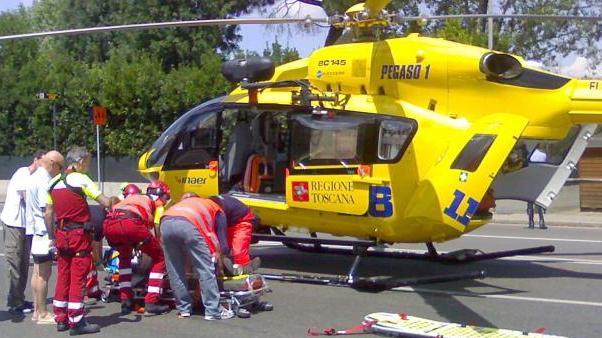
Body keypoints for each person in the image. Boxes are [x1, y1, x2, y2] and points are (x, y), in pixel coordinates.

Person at [46, 146, 115, 335]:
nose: (88, 167)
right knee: (78, 276)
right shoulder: (82, 180)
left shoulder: (53, 183)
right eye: (88, 163)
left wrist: (52, 236)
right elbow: (104, 202)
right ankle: (76, 321)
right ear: (81, 161)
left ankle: (61, 318)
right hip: (78, 236)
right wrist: (115, 201)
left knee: (63, 275)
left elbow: (49, 213)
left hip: (61, 235)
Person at [160, 193, 234, 320]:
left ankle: (184, 309)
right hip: (188, 224)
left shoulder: (186, 204)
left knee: (175, 270)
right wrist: (220, 256)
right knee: (204, 269)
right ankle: (213, 310)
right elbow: (220, 240)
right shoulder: (217, 209)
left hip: (165, 222)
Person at [103, 180, 170, 316]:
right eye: (166, 197)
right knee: (159, 257)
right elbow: (151, 227)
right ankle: (151, 302)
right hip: (130, 223)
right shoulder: (156, 204)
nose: (166, 201)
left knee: (124, 258)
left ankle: (126, 301)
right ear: (161, 195)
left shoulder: (133, 199)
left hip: (109, 224)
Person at [1, 150, 45, 316]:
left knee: (24, 264)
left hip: (25, 227)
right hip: (13, 224)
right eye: (43, 162)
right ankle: (14, 303)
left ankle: (19, 298)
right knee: (15, 262)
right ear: (36, 160)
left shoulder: (36, 179)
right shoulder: (22, 174)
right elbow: (28, 199)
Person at [26, 150, 64, 324]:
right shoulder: (44, 181)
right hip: (44, 232)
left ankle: (36, 310)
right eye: (60, 167)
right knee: (44, 275)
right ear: (53, 163)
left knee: (36, 273)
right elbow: (47, 211)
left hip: (36, 231)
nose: (61, 171)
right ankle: (42, 313)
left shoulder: (34, 177)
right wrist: (53, 236)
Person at [209, 194, 261, 275]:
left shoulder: (218, 211)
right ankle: (232, 267)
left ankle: (246, 269)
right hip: (231, 222)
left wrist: (221, 253)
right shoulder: (211, 206)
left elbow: (222, 240)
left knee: (238, 251)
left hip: (243, 220)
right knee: (227, 250)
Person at [527, 144, 547, 229]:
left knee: (530, 202)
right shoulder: (543, 155)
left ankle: (531, 222)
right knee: (539, 202)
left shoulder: (529, 155)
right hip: (539, 179)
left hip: (530, 179)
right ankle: (541, 221)